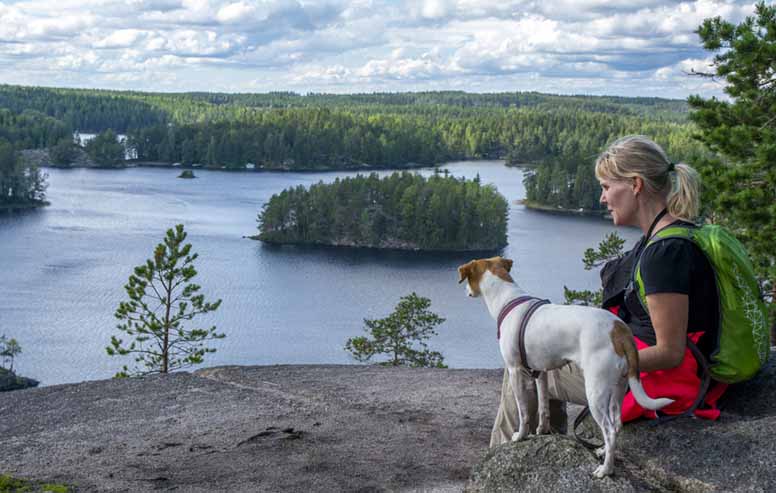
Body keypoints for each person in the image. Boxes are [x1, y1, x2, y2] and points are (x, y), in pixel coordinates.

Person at [491, 135, 726, 447]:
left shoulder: (664, 254)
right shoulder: (674, 234)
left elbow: (670, 352)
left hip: (664, 381)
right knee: (548, 351)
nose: (602, 198)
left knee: (524, 364)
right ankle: (544, 452)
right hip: (657, 364)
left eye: (606, 186)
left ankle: (508, 464)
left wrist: (601, 361)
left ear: (635, 185)